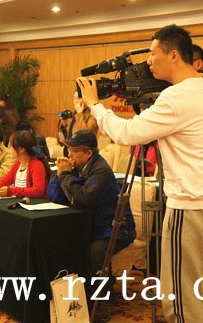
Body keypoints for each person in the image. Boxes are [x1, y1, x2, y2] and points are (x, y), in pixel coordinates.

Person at [76, 24, 203, 323]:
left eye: (152, 53)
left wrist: (95, 105)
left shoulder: (176, 99)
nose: (148, 61)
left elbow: (126, 133)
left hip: (190, 210)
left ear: (173, 55)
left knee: (182, 300)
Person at [48, 130, 136, 320]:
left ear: (88, 153)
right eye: (68, 150)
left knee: (97, 251)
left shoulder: (100, 171)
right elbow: (56, 197)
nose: (69, 155)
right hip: (93, 225)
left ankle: (101, 300)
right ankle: (80, 296)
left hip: (116, 227)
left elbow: (83, 200)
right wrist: (60, 174)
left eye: (74, 151)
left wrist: (65, 175)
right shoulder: (78, 167)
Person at [0, 130, 49, 199]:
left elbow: (38, 191)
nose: (9, 149)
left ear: (21, 149)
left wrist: (11, 191)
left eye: (11, 146)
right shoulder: (17, 165)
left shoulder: (36, 165)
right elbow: (4, 181)